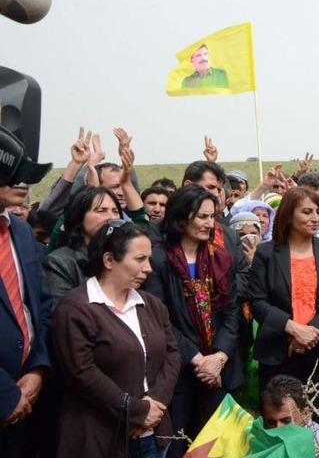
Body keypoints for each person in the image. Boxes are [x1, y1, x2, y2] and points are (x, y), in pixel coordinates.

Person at [52, 222, 180, 458]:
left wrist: (154, 405)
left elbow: (172, 354)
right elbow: (81, 372)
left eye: (149, 259)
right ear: (109, 260)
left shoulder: (151, 305)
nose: (148, 268)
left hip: (153, 433)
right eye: (140, 259)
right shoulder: (76, 308)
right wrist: (135, 410)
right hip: (100, 437)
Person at [141, 185, 243, 458]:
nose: (210, 223)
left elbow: (232, 311)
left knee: (220, 450)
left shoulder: (221, 258)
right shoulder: (159, 260)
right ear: (181, 217)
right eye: (202, 217)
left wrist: (219, 357)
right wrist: (199, 360)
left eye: (212, 216)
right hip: (181, 373)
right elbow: (159, 318)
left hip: (221, 372)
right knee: (179, 447)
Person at [247, 187, 319, 398]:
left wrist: (310, 331)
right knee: (281, 423)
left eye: (318, 212)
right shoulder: (266, 253)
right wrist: (292, 328)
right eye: (306, 212)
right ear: (288, 215)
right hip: (278, 351)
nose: (315, 218)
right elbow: (257, 301)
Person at [0, 184, 51, 458]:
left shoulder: (20, 231)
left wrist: (37, 368)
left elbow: (39, 304)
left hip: (27, 398)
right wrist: (5, 394)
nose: (22, 182)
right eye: (12, 172)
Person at [43, 187, 123, 306]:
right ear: (80, 216)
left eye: (116, 211)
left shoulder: (123, 256)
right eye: (101, 210)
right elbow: (64, 315)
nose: (111, 217)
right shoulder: (60, 262)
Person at [260, 374, 319, 451]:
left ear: (306, 414)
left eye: (286, 421)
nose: (278, 428)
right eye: (271, 422)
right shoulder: (258, 438)